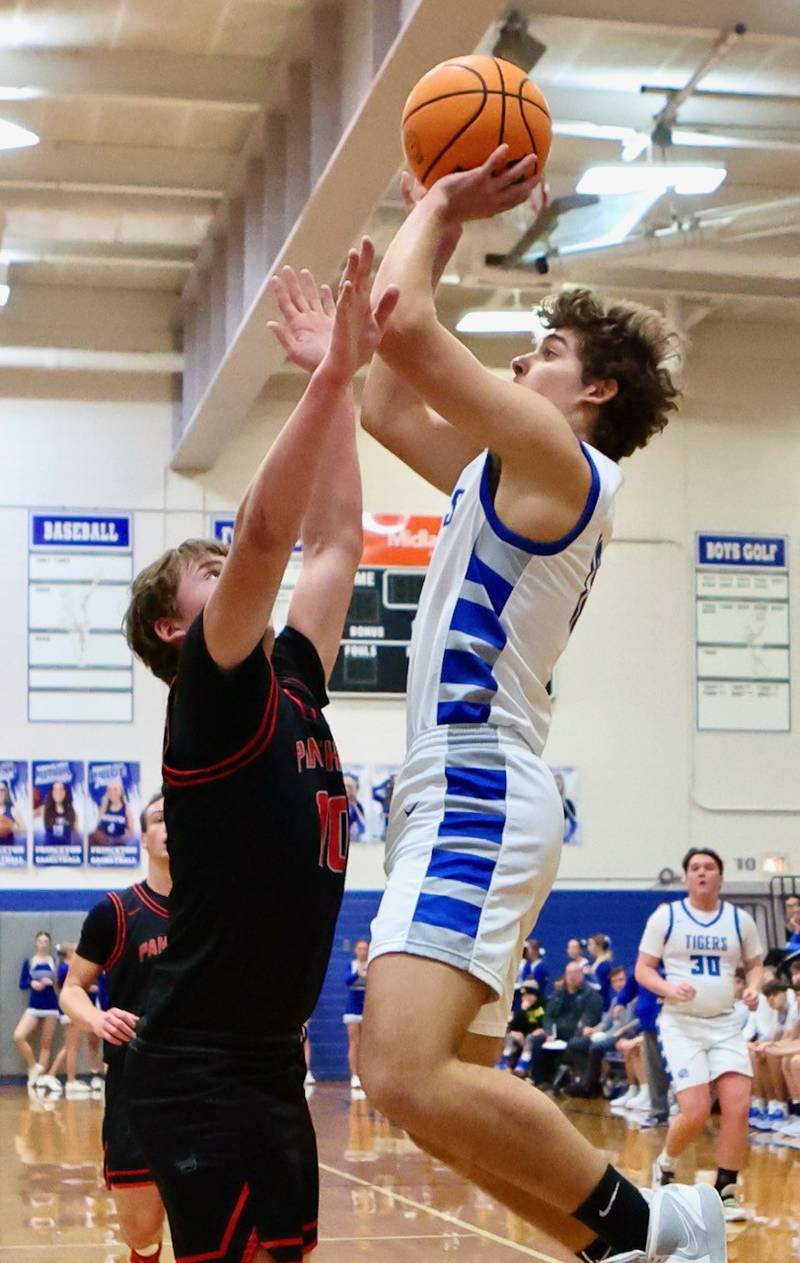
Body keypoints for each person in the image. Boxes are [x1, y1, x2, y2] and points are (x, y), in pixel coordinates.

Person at [337, 147, 721, 1263]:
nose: (523, 357)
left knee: (397, 1072)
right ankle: (613, 1248)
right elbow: (382, 396)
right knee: (431, 1090)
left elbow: (402, 324)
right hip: (451, 788)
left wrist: (444, 207)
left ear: (592, 393)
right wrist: (436, 228)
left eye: (547, 350)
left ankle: (653, 1225)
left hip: (477, 781)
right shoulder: (504, 469)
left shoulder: (560, 461)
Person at [119, 242, 398, 1263]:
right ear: (168, 631)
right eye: (203, 566)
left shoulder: (288, 674)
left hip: (269, 1060)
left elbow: (334, 543)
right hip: (196, 1063)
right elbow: (274, 534)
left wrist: (348, 369)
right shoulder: (212, 689)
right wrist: (324, 378)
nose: (223, 562)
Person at [60, 794, 170, 1263]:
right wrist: (98, 1018)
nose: (175, 825)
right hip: (136, 1088)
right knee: (141, 1233)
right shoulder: (116, 912)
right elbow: (72, 990)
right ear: (144, 838)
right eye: (163, 818)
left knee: (208, 1234)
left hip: (208, 1088)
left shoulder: (218, 914)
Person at [636, 847, 763, 1220]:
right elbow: (643, 969)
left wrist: (753, 988)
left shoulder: (740, 921)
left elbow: (755, 966)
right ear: (686, 877)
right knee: (695, 1110)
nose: (702, 873)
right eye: (695, 868)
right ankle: (665, 1165)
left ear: (721, 877)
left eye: (709, 867)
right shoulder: (667, 916)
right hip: (681, 1023)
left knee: (737, 1106)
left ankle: (725, 1190)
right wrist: (667, 988)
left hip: (725, 1023)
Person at [517, 960, 604, 1090]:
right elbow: (549, 1016)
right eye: (569, 973)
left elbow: (589, 1019)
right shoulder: (558, 994)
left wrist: (578, 1033)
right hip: (556, 1035)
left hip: (578, 1035)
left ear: (581, 974)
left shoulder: (591, 995)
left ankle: (581, 1083)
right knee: (537, 1040)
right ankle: (538, 1080)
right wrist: (549, 1033)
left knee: (575, 1043)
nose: (571, 976)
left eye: (575, 973)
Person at [48, 943, 103, 1098]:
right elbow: (73, 987)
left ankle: (52, 1076)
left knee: (71, 1046)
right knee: (71, 1047)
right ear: (70, 952)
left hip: (68, 1010)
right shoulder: (68, 968)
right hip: (70, 1010)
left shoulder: (66, 967)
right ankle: (70, 1081)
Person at [14, 930, 61, 1092]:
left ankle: (40, 1078)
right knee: (18, 1036)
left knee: (46, 1043)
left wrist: (52, 982)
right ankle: (33, 1066)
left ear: (49, 944)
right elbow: (22, 984)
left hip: (51, 1006)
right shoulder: (29, 961)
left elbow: (60, 984)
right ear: (36, 943)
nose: (42, 944)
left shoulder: (54, 961)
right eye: (40, 941)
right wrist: (32, 984)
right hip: (34, 1006)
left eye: (45, 941)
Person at [499, 983, 546, 1072]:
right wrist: (523, 1010)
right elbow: (513, 1025)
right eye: (523, 996)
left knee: (530, 1038)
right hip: (523, 1037)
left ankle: (522, 1065)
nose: (525, 998)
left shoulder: (543, 1005)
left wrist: (541, 1030)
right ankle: (504, 1062)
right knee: (510, 1036)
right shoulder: (523, 1008)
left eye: (528, 995)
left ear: (534, 995)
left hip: (537, 1036)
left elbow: (542, 1024)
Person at [344, 939, 369, 1092]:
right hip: (353, 1007)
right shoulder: (351, 965)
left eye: (365, 948)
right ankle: (354, 1075)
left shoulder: (373, 965)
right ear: (355, 951)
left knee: (369, 1044)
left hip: (368, 1007)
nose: (362, 951)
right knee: (354, 1041)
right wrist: (357, 974)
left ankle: (366, 1075)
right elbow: (346, 980)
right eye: (360, 948)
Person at [88, 780, 136, 846]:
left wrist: (115, 840)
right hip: (101, 848)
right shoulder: (103, 807)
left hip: (119, 847)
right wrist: (103, 806)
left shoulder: (126, 809)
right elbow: (95, 827)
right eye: (109, 790)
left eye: (115, 789)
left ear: (121, 791)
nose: (112, 792)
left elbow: (131, 833)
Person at [41, 781, 77, 845]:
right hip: (47, 851)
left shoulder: (72, 811)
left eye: (61, 789)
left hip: (67, 851)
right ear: (52, 792)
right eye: (55, 789)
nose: (58, 792)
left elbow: (75, 834)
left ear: (65, 792)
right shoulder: (44, 809)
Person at [585, 934, 615, 1008]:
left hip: (601, 1005)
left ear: (598, 947)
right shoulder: (597, 964)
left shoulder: (604, 965)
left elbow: (601, 987)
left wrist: (588, 976)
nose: (588, 948)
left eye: (590, 945)